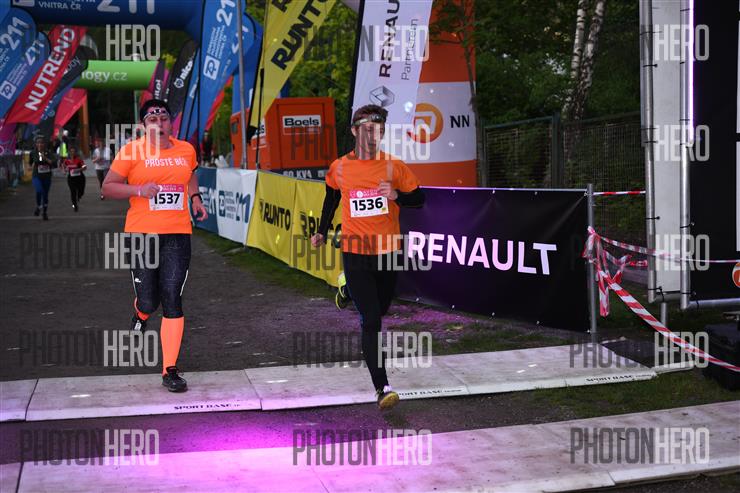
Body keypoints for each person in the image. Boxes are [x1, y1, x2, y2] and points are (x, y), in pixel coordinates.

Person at [310, 104, 425, 410]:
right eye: (368, 130)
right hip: (355, 252)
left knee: (382, 308)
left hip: (388, 252)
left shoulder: (393, 166)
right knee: (371, 318)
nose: (374, 136)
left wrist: (397, 196)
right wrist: (321, 230)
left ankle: (346, 289)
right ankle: (382, 387)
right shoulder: (340, 167)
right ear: (354, 131)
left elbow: (419, 199)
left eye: (379, 131)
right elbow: (331, 199)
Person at [102, 99, 208, 392]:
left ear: (171, 123)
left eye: (163, 118)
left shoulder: (186, 149)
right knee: (150, 300)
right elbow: (107, 187)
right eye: (152, 118)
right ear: (143, 125)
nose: (158, 122)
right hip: (141, 235)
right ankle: (141, 313)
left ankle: (169, 369)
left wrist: (195, 198)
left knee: (172, 296)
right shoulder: (131, 151)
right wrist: (138, 189)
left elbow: (191, 173)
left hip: (177, 234)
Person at [31, 137, 55, 220]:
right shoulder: (33, 153)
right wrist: (31, 166)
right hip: (37, 176)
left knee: (45, 195)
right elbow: (34, 162)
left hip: (47, 176)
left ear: (44, 144)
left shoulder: (49, 153)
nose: (40, 144)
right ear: (36, 144)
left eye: (41, 143)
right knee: (39, 190)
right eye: (38, 143)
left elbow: (53, 162)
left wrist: (46, 158)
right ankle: (38, 206)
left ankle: (44, 212)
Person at [62, 145, 86, 212]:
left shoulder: (79, 159)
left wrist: (79, 169)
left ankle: (79, 196)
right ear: (69, 152)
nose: (72, 153)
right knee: (73, 191)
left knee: (81, 191)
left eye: (74, 151)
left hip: (80, 178)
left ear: (75, 152)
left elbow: (84, 167)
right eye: (71, 151)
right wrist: (64, 171)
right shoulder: (66, 160)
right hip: (71, 179)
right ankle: (74, 205)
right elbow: (63, 166)